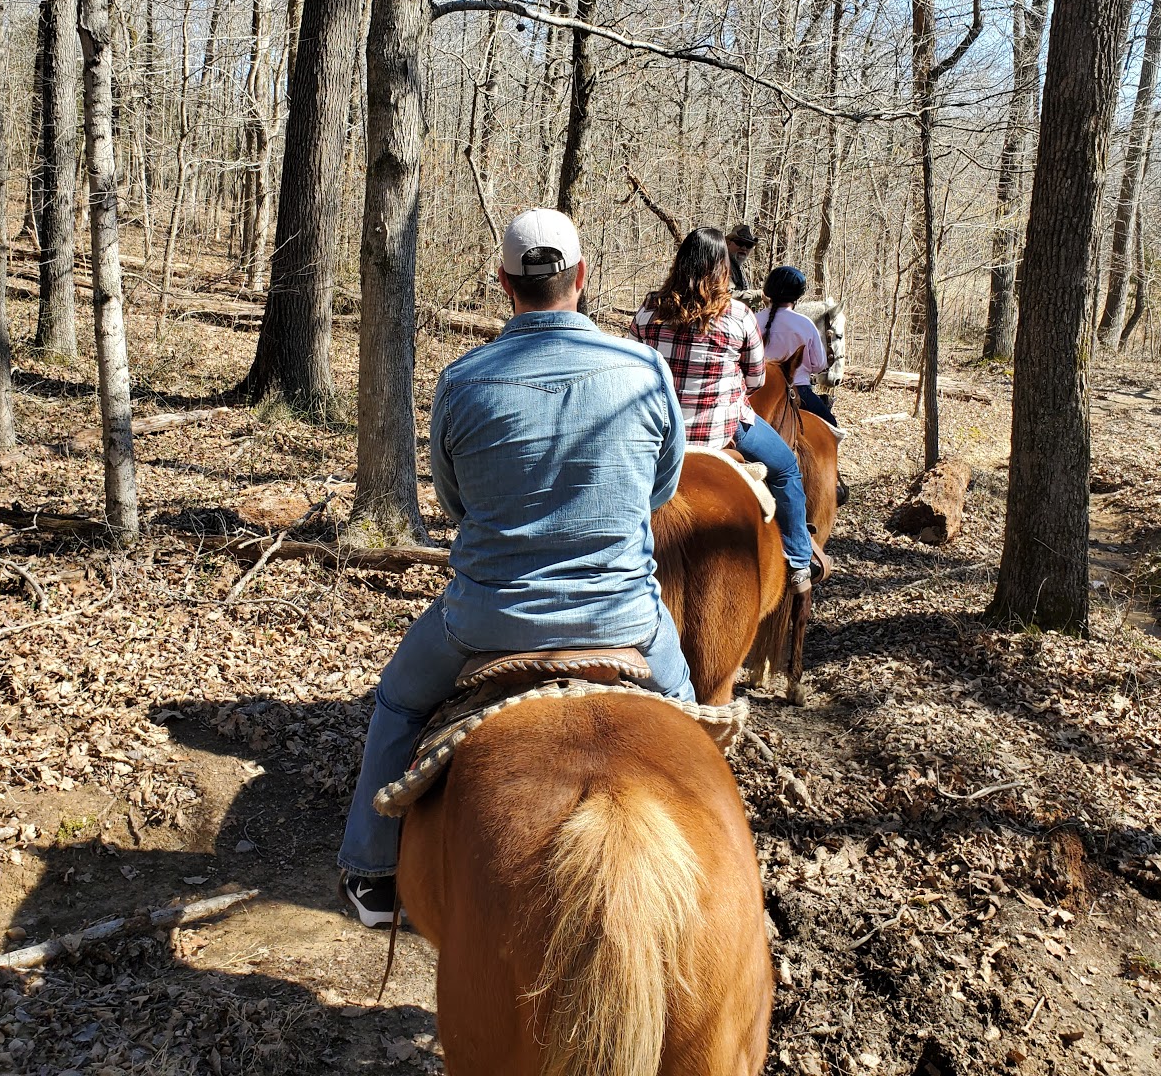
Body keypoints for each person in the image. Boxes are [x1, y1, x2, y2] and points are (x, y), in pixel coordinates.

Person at [338, 208, 693, 927]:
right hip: (623, 617)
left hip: (486, 621)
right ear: (582, 276)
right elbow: (661, 489)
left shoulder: (464, 381)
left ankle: (372, 874)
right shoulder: (645, 372)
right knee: (692, 724)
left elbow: (456, 502)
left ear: (504, 283)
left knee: (399, 704)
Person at [630, 227, 818, 597]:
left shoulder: (650, 309)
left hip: (657, 431)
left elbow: (634, 364)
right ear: (722, 268)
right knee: (786, 469)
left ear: (680, 263)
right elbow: (757, 379)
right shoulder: (739, 315)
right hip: (720, 432)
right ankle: (798, 560)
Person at [759, 265, 838, 426]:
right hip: (798, 389)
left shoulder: (752, 319)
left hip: (757, 390)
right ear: (797, 295)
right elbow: (819, 364)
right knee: (831, 425)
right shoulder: (805, 323)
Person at [725, 223, 757, 290]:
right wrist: (758, 294)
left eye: (748, 245)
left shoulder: (741, 268)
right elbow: (729, 293)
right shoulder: (723, 266)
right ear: (728, 243)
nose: (744, 248)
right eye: (740, 243)